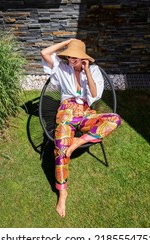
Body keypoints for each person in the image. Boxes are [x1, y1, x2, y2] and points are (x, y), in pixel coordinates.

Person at [41, 39, 121, 218]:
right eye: (69, 56)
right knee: (61, 149)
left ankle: (79, 141)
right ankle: (62, 193)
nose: (70, 59)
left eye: (74, 57)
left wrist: (86, 70)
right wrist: (67, 42)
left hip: (85, 112)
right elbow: (45, 53)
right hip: (66, 112)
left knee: (114, 119)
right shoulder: (62, 68)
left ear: (83, 57)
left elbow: (94, 94)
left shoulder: (93, 70)